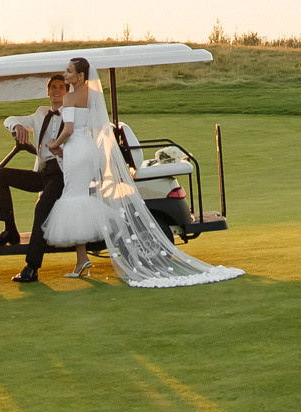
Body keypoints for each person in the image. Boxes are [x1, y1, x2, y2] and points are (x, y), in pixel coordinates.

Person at [39, 56, 243, 289]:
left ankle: (82, 259)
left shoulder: (69, 97)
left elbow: (69, 129)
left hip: (75, 149)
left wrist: (55, 145)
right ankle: (81, 260)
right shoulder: (93, 96)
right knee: (79, 196)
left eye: (68, 72)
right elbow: (93, 127)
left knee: (73, 198)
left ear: (80, 76)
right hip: (88, 148)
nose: (64, 75)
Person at [0, 75, 71, 283]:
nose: (57, 90)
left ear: (67, 92)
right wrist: (17, 126)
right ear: (48, 91)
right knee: (0, 175)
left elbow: (82, 143)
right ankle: (10, 230)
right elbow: (9, 119)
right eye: (53, 87)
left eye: (61, 87)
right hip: (43, 173)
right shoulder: (41, 113)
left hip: (62, 174)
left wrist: (63, 151)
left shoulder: (72, 115)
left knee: (40, 208)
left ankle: (32, 267)